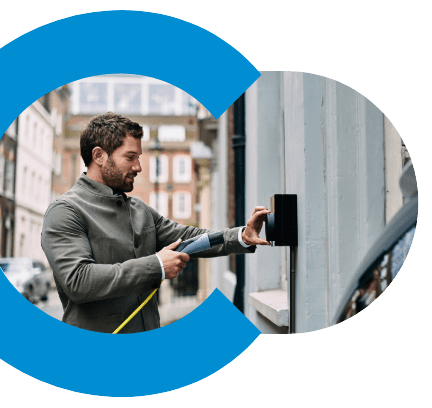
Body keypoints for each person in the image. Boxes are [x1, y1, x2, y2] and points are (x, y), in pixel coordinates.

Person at [41, 113, 271, 333]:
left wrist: (240, 236)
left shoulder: (139, 209)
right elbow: (78, 280)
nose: (138, 166)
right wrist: (157, 266)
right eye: (130, 157)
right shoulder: (65, 211)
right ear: (99, 156)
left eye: (138, 158)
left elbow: (189, 237)